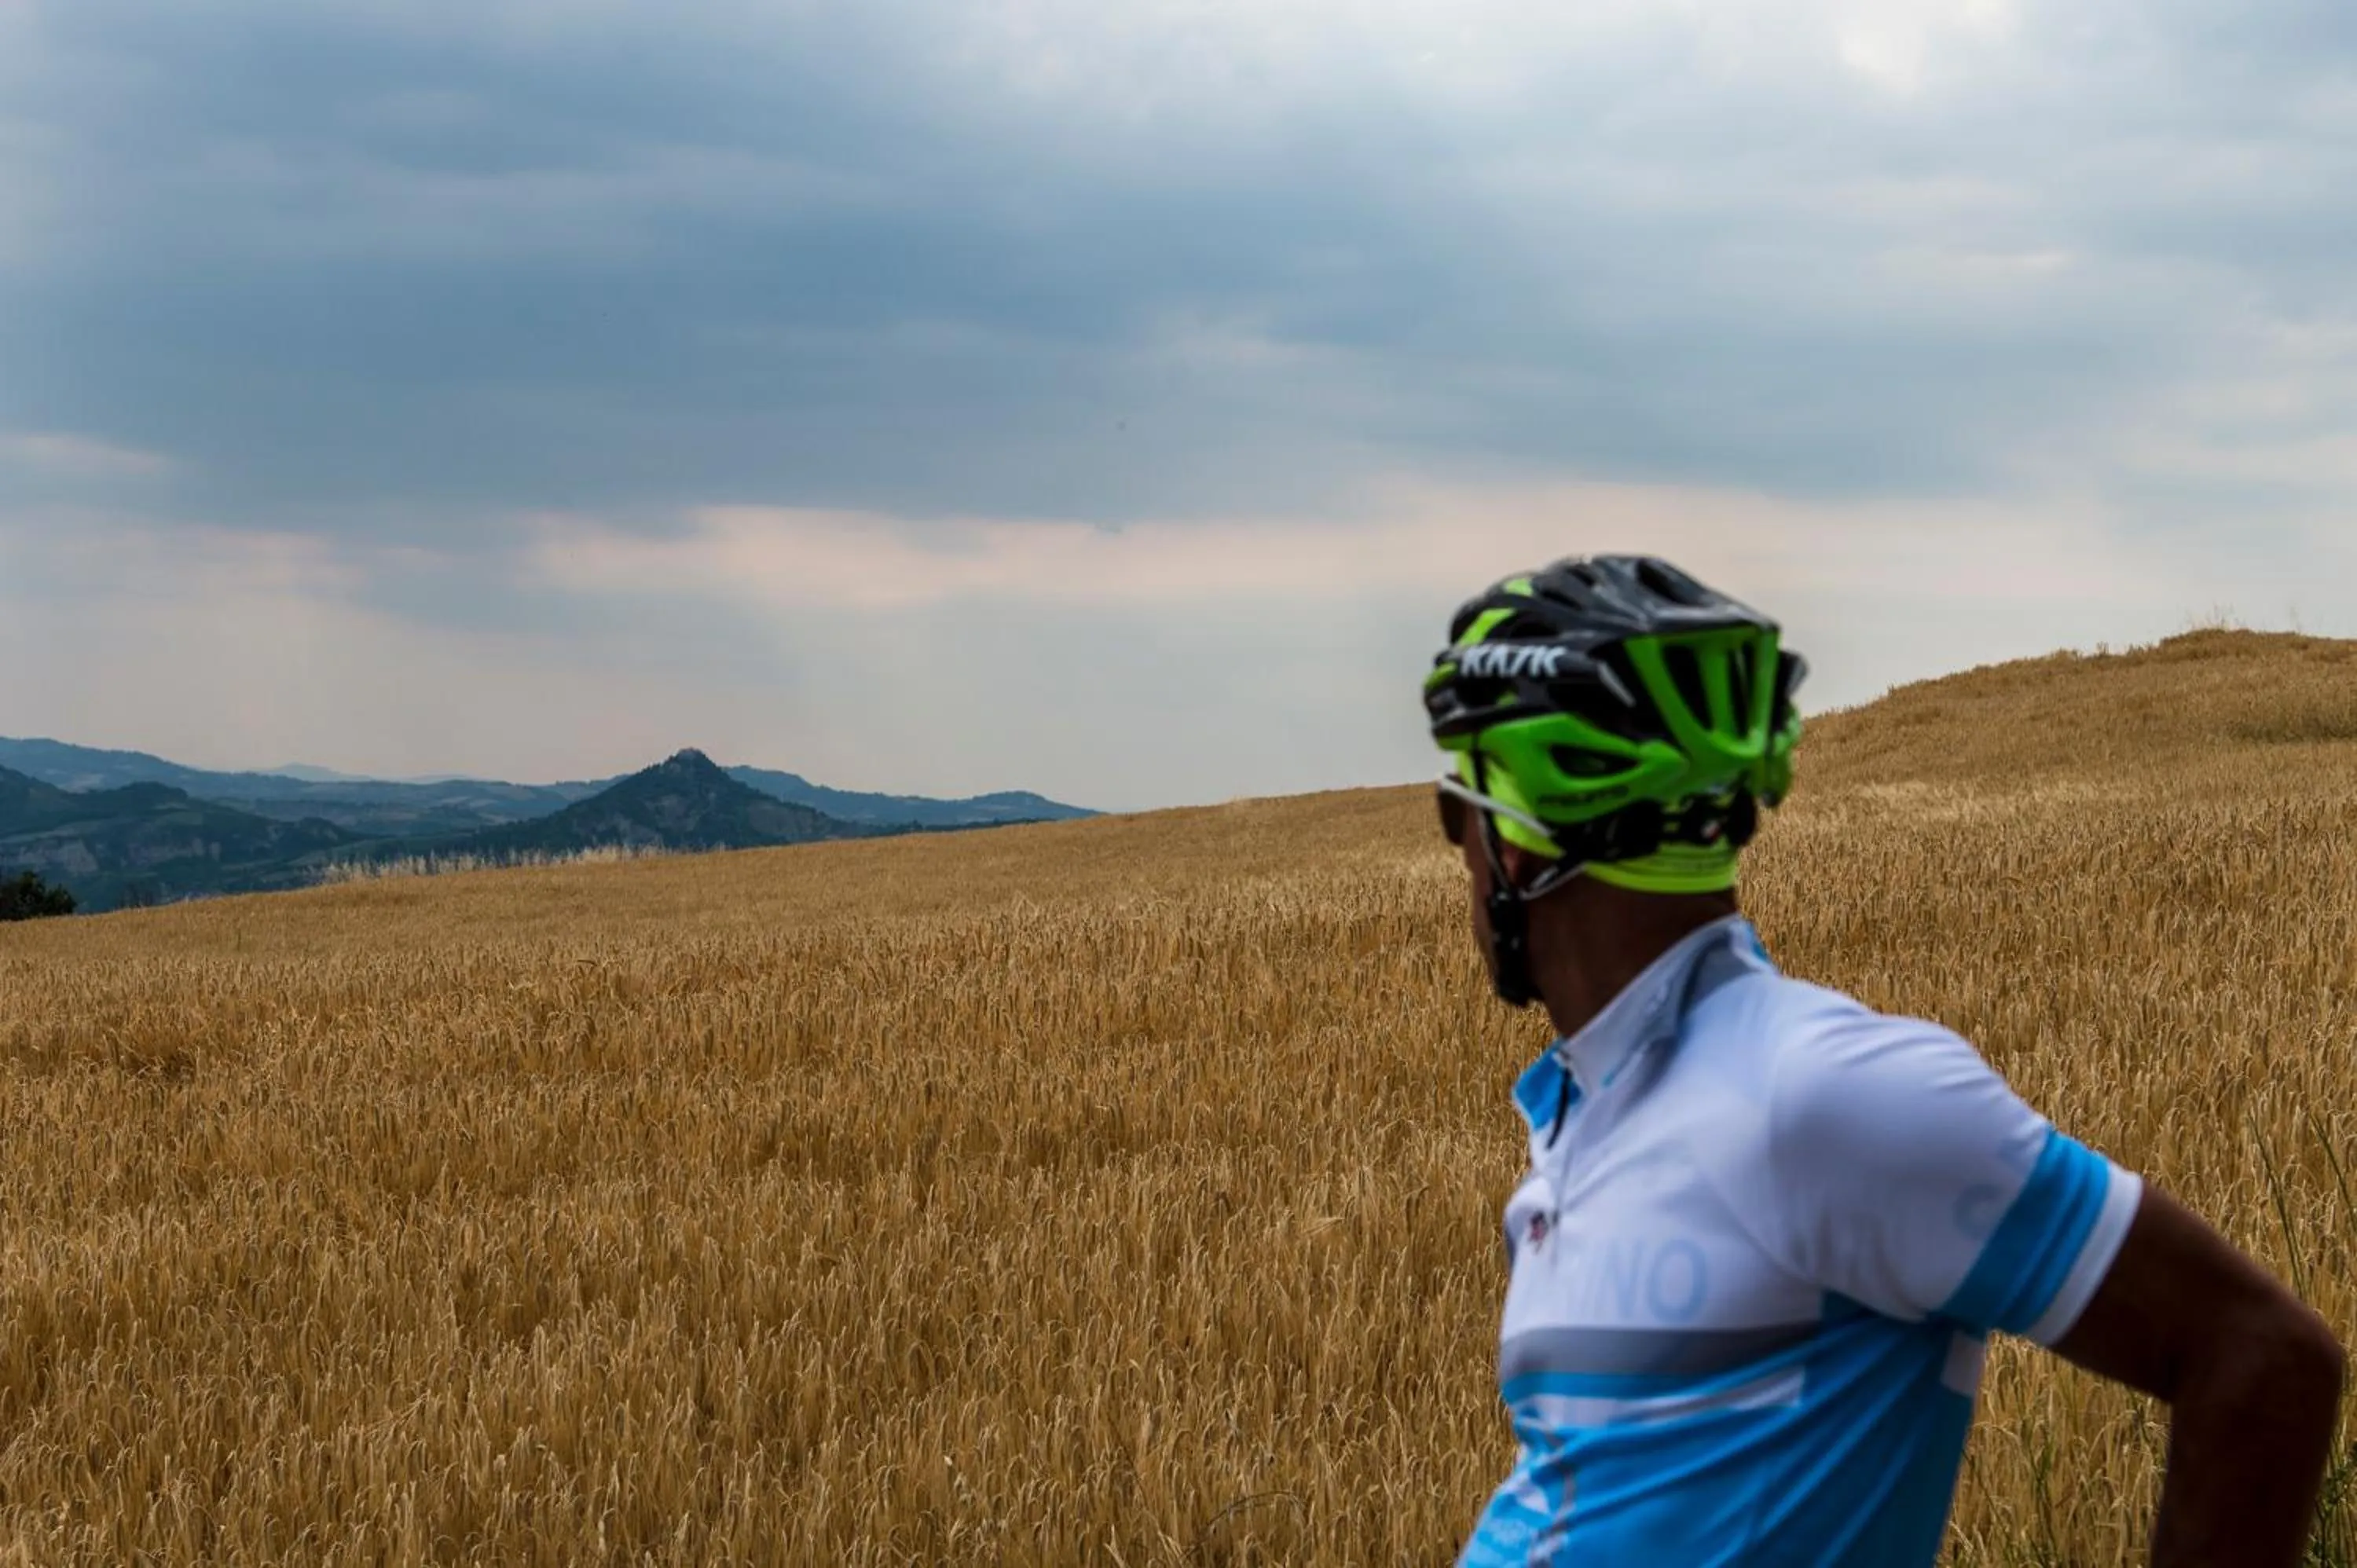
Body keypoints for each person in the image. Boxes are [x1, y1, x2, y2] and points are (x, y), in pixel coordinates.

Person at [1425, 555, 2345, 1567]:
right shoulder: (1583, 1129)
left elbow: (2263, 1358)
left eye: (1454, 813)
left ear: (1513, 843)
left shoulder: (1822, 1096)